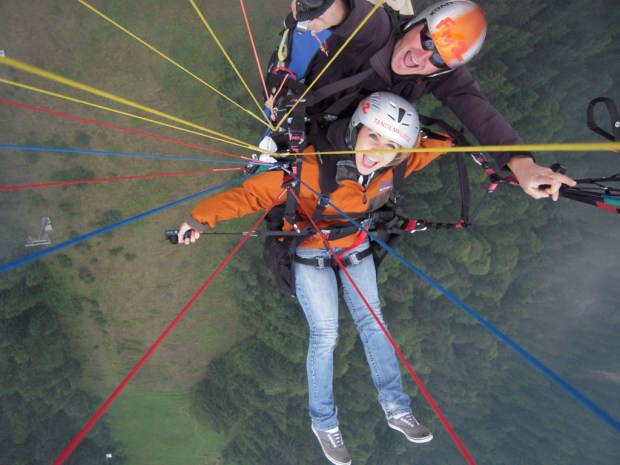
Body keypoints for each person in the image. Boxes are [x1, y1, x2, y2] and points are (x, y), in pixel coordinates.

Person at [177, 92, 452, 465]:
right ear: (356, 129)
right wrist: (199, 219)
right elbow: (249, 196)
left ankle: (395, 407)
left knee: (374, 323)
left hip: (354, 247)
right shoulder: (309, 168)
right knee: (326, 335)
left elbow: (434, 148)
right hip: (310, 250)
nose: (378, 152)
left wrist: (484, 148)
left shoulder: (397, 165)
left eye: (391, 145)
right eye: (373, 137)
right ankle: (324, 422)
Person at [280, 0, 576, 199]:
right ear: (416, 24)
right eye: (427, 41)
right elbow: (354, 15)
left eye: (438, 58)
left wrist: (522, 165)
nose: (420, 57)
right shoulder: (379, 31)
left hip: (346, 131)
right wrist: (323, 6)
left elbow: (477, 110)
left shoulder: (438, 74)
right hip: (306, 102)